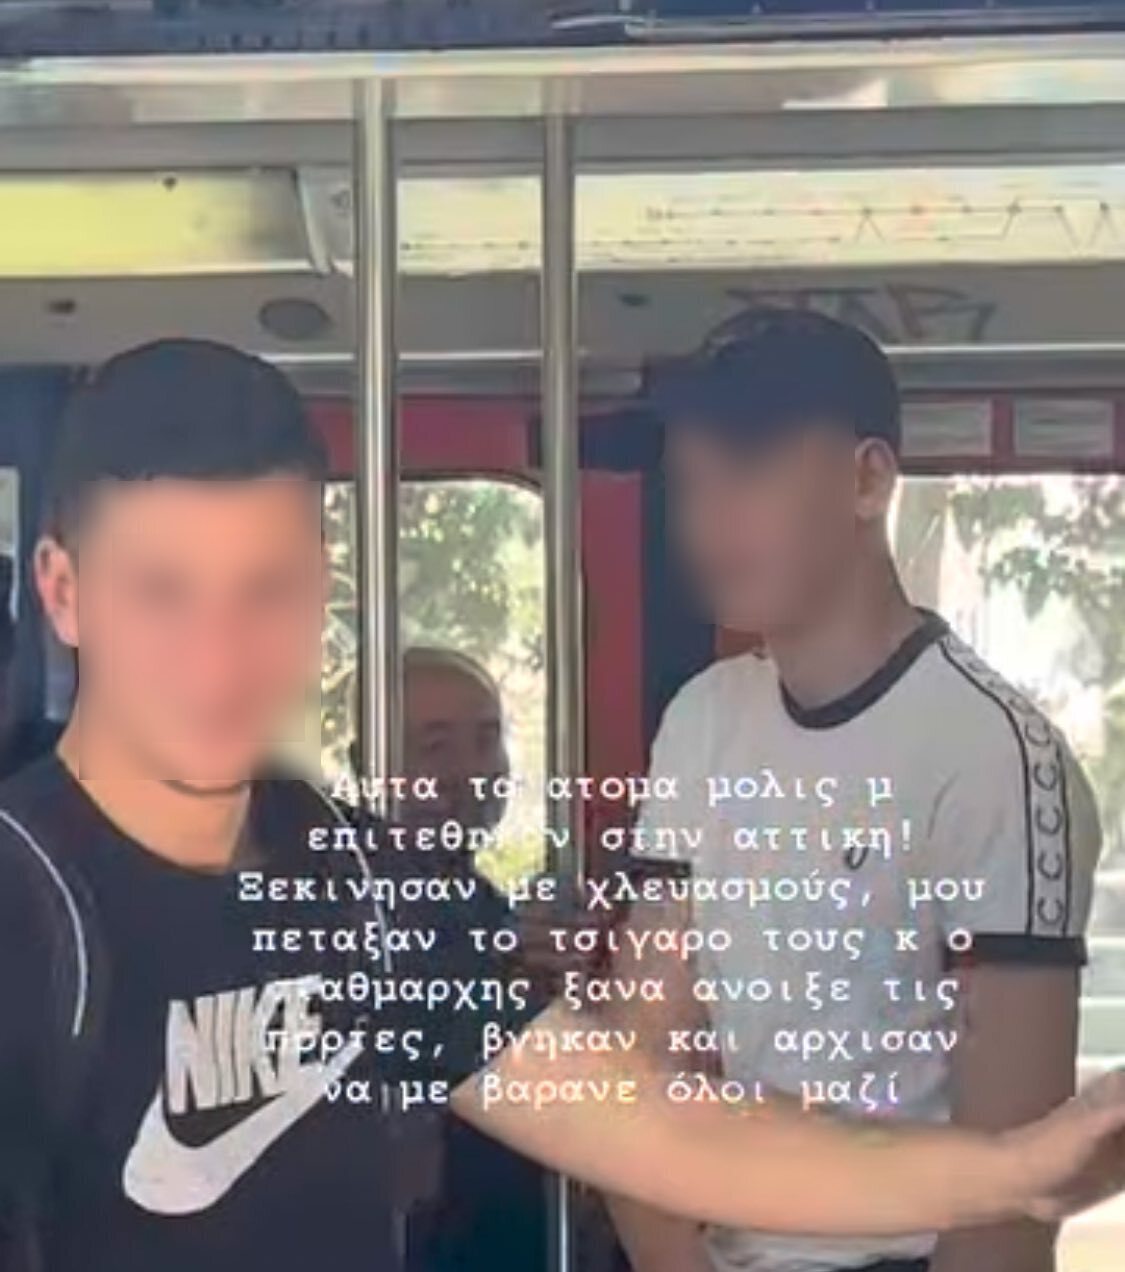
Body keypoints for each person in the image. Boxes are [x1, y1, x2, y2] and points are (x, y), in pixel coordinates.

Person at [0, 338, 1122, 1272]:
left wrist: (1017, 1170)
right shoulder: (27, 911)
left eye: (267, 591)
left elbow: (654, 1125)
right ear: (63, 592)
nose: (218, 657)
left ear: (322, 591)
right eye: (162, 593)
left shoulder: (359, 885)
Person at [605, 308, 1107, 1272]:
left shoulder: (992, 755)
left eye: (747, 471)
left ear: (867, 480)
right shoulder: (704, 720)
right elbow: (638, 1066)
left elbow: (1008, 1194)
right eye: (690, 483)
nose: (707, 519)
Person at [350, 645, 549, 1272]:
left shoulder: (484, 905)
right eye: (435, 747)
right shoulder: (346, 907)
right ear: (365, 763)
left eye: (487, 740)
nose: (471, 771)